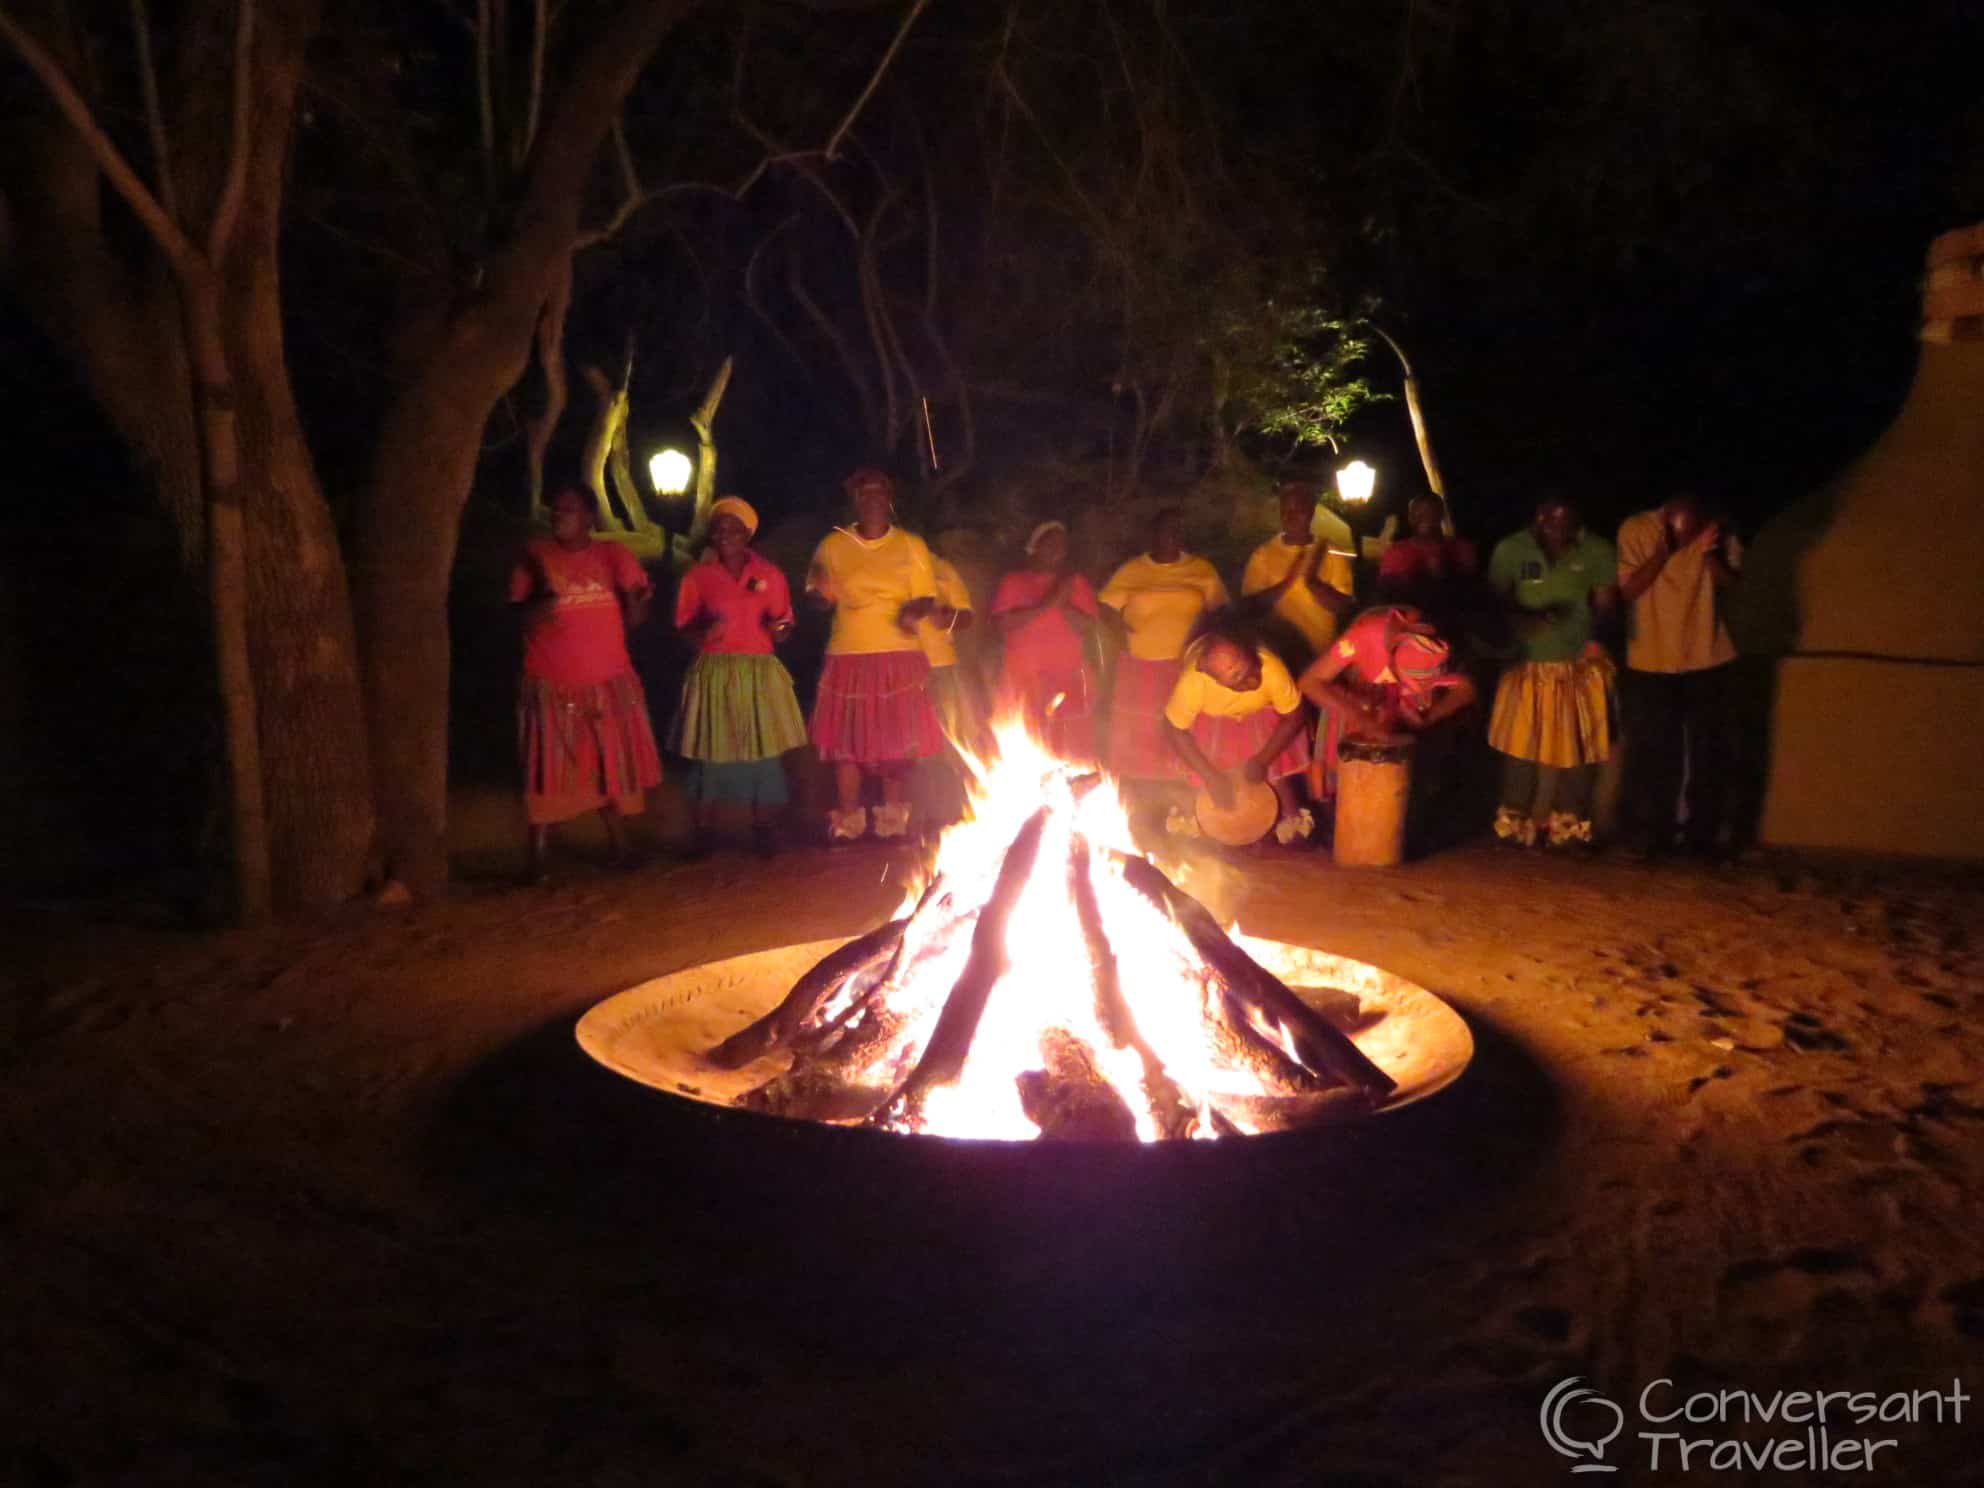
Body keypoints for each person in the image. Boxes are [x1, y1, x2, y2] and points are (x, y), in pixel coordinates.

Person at [509, 485, 663, 881]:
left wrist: (638, 600)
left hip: (608, 678)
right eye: (557, 510)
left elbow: (637, 618)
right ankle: (538, 859)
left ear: (589, 518)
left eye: (570, 510)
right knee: (548, 768)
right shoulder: (535, 556)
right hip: (552, 680)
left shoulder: (613, 555)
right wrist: (546, 594)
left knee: (610, 764)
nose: (561, 516)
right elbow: (519, 618)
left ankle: (621, 848)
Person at [806, 467, 945, 842]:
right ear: (854, 499)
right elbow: (819, 599)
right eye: (864, 493)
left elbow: (927, 595)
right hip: (849, 653)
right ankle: (849, 821)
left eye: (879, 492)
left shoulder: (910, 545)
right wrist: (818, 593)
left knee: (896, 743)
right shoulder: (832, 546)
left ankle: (892, 822)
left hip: (899, 653)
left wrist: (914, 611)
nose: (872, 499)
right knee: (847, 742)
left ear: (890, 499)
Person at [668, 495, 807, 857]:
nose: (725, 534)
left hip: (759, 670)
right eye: (719, 528)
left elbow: (784, 623)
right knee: (710, 754)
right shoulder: (699, 577)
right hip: (715, 670)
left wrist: (779, 630)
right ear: (712, 535)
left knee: (763, 753)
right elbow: (683, 628)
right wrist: (703, 634)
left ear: (748, 534)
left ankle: (762, 830)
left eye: (734, 528)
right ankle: (705, 833)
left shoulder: (769, 574)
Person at [1485, 499, 1619, 848]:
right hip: (1525, 662)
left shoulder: (1597, 551)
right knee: (1519, 743)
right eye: (1547, 518)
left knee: (1580, 743)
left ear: (1576, 521)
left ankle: (1569, 825)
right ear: (1536, 517)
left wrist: (1596, 640)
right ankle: (1513, 822)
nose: (1553, 526)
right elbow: (1495, 601)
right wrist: (1526, 619)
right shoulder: (1512, 549)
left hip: (1579, 664)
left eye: (1563, 520)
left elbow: (1606, 604)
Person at [1615, 493, 1742, 858]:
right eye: (1680, 533)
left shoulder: (1719, 530)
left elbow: (1730, 583)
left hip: (1707, 655)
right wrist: (1663, 552)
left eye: (1693, 531)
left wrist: (1707, 553)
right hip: (1651, 658)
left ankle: (1701, 836)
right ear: (1666, 519)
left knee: (1708, 752)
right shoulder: (1637, 529)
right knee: (1654, 751)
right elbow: (1628, 590)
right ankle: (1654, 833)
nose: (1687, 539)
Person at [1099, 508, 1230, 785]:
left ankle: (1185, 789)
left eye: (1177, 531)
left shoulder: (1201, 569)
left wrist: (1206, 638)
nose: (1171, 537)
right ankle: (1143, 794)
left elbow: (1221, 610)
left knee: (1184, 726)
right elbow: (1105, 607)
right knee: (1143, 729)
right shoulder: (1133, 570)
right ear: (1153, 535)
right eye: (1165, 530)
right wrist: (1119, 631)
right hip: (1142, 663)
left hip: (1187, 664)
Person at [1299, 605, 1479, 805]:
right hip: (1350, 698)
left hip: (1394, 703)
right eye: (1411, 683)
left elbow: (1466, 688)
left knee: (1397, 782)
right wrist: (1361, 717)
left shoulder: (1434, 648)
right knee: (1345, 773)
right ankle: (1337, 812)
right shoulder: (1363, 636)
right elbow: (1310, 682)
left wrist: (1430, 716)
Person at [1162, 620, 1315, 845]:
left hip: (1261, 711)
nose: (1251, 679)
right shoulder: (1193, 683)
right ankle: (1190, 819)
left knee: (1273, 763)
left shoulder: (1271, 668)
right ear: (1212, 677)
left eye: (1248, 668)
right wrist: (1210, 776)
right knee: (1203, 765)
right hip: (1210, 716)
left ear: (1252, 651)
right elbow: (1174, 729)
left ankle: (1291, 821)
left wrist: (1263, 760)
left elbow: (1294, 716)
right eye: (1236, 679)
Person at [991, 520, 1102, 763]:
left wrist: (1062, 600)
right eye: (1049, 544)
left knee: (1071, 756)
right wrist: (1050, 602)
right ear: (1034, 547)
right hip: (1022, 683)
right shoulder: (1014, 582)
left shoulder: (1075, 584)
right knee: (1025, 751)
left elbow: (1086, 627)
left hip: (1068, 681)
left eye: (1061, 546)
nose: (1055, 550)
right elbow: (1004, 625)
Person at [1240, 480, 1357, 671]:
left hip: (1321, 657)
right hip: (1278, 658)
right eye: (1285, 510)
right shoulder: (1263, 554)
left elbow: (1344, 607)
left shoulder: (1331, 552)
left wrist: (1313, 583)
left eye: (1298, 510)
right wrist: (1288, 581)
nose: (1290, 516)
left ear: (1311, 512)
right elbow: (1250, 608)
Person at [911, 551, 983, 831]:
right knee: (910, 746)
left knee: (947, 740)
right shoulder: (886, 566)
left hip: (940, 665)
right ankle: (918, 817)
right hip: (899, 667)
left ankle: (950, 815)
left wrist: (949, 617)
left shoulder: (941, 568)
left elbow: (965, 616)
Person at [1377, 493, 1479, 631]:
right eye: (1416, 514)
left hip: (1457, 626)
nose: (1422, 519)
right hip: (1411, 628)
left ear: (1441, 515)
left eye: (1429, 512)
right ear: (1410, 518)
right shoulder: (1396, 552)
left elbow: (1471, 590)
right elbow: (1386, 594)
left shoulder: (1462, 548)